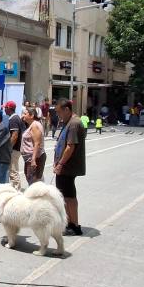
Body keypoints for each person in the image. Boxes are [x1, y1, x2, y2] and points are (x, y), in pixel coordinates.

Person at [53, 100, 86, 236]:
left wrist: (60, 164)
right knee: (65, 196)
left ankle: (74, 225)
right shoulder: (69, 122)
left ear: (67, 110)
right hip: (65, 166)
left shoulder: (74, 123)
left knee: (69, 197)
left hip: (68, 166)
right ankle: (69, 222)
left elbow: (70, 146)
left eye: (59, 112)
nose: (58, 115)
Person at [20, 107, 46, 184]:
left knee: (34, 183)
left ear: (32, 115)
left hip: (34, 158)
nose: (22, 116)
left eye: (25, 114)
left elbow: (37, 143)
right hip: (30, 158)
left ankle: (38, 196)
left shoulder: (35, 125)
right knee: (34, 181)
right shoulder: (31, 124)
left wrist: (33, 160)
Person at [4, 101, 24, 189]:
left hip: (14, 149)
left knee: (13, 171)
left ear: (9, 108)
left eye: (5, 108)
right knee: (13, 170)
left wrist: (9, 148)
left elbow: (15, 135)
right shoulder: (15, 118)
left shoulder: (13, 119)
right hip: (17, 148)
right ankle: (16, 188)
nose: (4, 109)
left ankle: (16, 190)